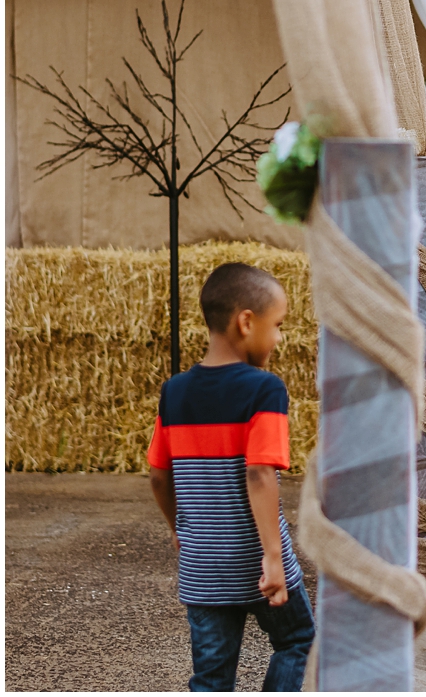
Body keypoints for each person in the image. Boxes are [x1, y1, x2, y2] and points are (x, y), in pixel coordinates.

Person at [147, 263, 314, 691]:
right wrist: (274, 558)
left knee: (212, 679)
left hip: (202, 566)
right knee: (298, 643)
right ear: (246, 322)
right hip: (258, 561)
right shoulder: (264, 390)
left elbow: (159, 478)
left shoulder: (174, 392)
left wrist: (178, 530)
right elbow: (260, 474)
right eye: (277, 325)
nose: (278, 338)